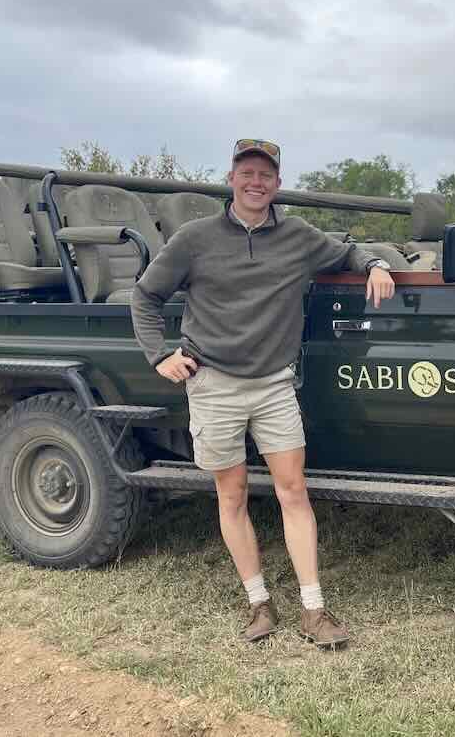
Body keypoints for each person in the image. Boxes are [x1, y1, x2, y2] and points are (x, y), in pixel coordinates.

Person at [131, 138, 395, 646]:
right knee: (230, 496)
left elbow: (348, 251)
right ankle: (258, 603)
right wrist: (159, 354)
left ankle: (314, 611)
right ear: (231, 178)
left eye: (266, 175)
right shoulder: (194, 238)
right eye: (247, 172)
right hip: (213, 386)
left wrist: (375, 265)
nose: (256, 182)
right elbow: (145, 295)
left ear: (277, 183)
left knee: (293, 491)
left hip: (274, 386)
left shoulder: (297, 236)